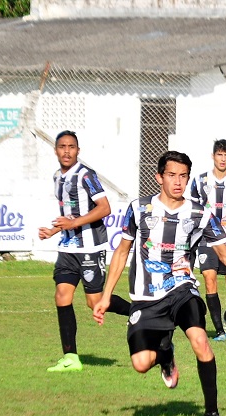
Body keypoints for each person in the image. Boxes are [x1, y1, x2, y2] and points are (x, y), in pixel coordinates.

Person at [93, 151, 226, 416]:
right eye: (171, 175)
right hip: (146, 298)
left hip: (182, 290)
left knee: (200, 341)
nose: (178, 182)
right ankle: (166, 354)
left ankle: (211, 414)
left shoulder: (199, 214)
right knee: (140, 364)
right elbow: (122, 252)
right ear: (159, 177)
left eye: (183, 176)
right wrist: (106, 296)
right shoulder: (138, 209)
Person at [38, 130, 131, 372]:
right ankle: (71, 358)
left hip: (90, 248)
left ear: (78, 150)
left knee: (96, 302)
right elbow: (70, 215)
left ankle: (140, 311)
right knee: (62, 296)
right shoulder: (57, 177)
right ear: (56, 150)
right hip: (68, 248)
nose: (66, 151)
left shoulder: (86, 176)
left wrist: (73, 224)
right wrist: (53, 231)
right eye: (62, 146)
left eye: (71, 147)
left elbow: (105, 208)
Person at [188, 139, 226, 341]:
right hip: (207, 240)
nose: (222, 159)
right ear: (213, 156)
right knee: (209, 281)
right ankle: (220, 331)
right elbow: (192, 210)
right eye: (219, 155)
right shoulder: (200, 181)